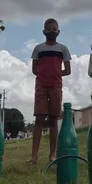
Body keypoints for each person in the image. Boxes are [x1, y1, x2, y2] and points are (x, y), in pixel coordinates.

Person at [27, 18, 72, 164]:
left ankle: (52, 155)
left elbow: (68, 70)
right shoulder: (38, 49)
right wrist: (43, 76)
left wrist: (56, 74)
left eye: (54, 29)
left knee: (53, 120)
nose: (51, 31)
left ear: (58, 32)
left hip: (56, 87)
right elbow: (34, 69)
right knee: (39, 119)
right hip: (41, 86)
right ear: (43, 31)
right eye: (49, 29)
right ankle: (34, 156)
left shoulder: (63, 49)